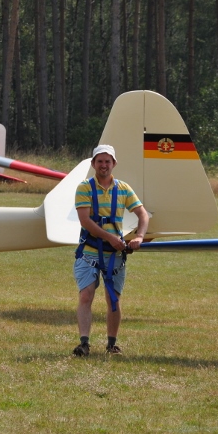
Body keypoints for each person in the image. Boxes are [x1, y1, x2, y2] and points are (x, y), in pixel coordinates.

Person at [72, 144, 149, 356]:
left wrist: (139, 236)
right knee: (86, 296)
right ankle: (84, 343)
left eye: (107, 161)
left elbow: (143, 214)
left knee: (113, 299)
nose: (104, 165)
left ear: (114, 163)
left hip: (114, 254)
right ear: (93, 164)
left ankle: (111, 344)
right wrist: (111, 238)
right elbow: (85, 221)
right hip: (89, 251)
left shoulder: (123, 188)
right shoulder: (84, 188)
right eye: (100, 161)